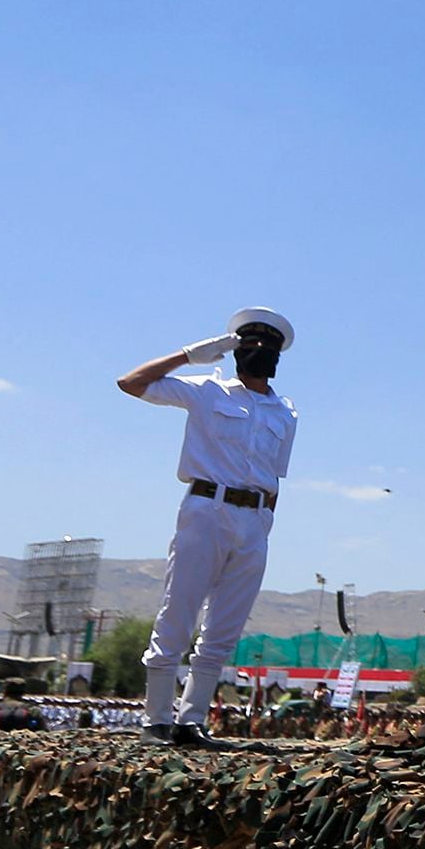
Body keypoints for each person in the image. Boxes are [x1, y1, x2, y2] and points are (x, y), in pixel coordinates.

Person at [116, 308, 298, 745]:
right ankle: (156, 719)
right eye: (249, 345)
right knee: (178, 613)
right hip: (206, 508)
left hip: (256, 519)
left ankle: (192, 720)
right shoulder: (208, 391)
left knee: (224, 628)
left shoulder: (286, 413)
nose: (259, 353)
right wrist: (187, 355)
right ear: (233, 350)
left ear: (278, 357)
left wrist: (265, 520)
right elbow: (131, 383)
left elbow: (276, 474)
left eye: (267, 348)